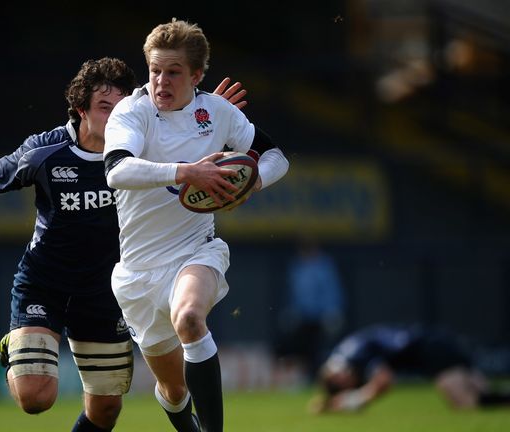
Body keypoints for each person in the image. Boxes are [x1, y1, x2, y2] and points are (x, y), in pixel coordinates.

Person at [0, 57, 247, 432]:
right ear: (80, 108)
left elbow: (186, 142)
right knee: (36, 397)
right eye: (104, 107)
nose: (115, 116)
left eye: (121, 107)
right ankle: (15, 346)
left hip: (104, 292)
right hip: (45, 283)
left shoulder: (143, 148)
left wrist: (204, 121)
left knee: (105, 410)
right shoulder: (45, 150)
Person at [103, 19, 290, 432]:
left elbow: (275, 155)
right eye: (154, 70)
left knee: (189, 318)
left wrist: (252, 181)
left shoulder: (216, 112)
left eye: (173, 72)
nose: (161, 81)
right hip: (136, 272)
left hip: (194, 250)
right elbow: (117, 170)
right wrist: (188, 172)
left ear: (197, 75)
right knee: (172, 390)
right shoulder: (132, 112)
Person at [311, 323, 510, 413]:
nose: (350, 384)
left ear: (336, 375)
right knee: (483, 396)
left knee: (466, 405)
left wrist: (350, 402)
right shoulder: (346, 353)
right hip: (435, 344)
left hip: (431, 350)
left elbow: (385, 381)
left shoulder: (353, 356)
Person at [277, 238, 345, 381]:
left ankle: (320, 377)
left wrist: (333, 311)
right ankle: (306, 377)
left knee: (319, 350)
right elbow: (292, 292)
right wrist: (290, 312)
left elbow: (332, 290)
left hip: (321, 316)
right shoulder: (297, 266)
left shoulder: (324, 265)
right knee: (302, 349)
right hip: (302, 316)